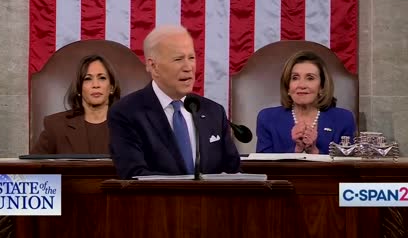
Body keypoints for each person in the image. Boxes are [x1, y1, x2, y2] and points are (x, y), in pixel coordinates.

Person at [108, 25, 240, 179]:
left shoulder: (213, 111)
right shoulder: (126, 112)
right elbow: (134, 175)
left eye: (191, 58)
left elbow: (234, 173)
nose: (188, 67)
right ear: (153, 66)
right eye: (178, 59)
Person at [256, 51, 356, 154]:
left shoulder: (343, 119)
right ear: (288, 87)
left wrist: (314, 151)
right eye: (295, 78)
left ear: (321, 87)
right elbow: (262, 165)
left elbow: (346, 166)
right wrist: (296, 150)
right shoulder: (267, 118)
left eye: (310, 78)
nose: (302, 85)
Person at [32, 54, 121, 154]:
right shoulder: (55, 126)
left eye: (102, 78)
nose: (95, 85)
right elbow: (33, 167)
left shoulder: (130, 126)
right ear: (79, 89)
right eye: (87, 79)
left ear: (112, 87)